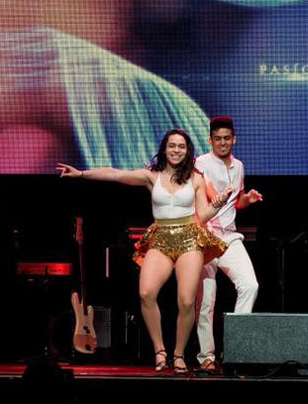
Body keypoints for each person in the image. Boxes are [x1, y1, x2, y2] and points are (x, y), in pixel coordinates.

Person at [57, 129, 232, 374]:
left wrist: (217, 204)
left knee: (186, 301)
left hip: (190, 238)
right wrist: (82, 173)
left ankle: (179, 354)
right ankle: (160, 351)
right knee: (146, 293)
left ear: (187, 150)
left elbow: (202, 215)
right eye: (172, 146)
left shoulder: (196, 178)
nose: (176, 150)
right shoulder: (152, 176)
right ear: (164, 148)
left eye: (181, 146)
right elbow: (115, 174)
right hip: (160, 238)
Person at [193, 116, 262, 373]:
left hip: (230, 236)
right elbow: (208, 192)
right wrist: (218, 198)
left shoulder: (239, 166)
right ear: (210, 140)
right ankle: (206, 357)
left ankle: (235, 349)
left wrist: (248, 199)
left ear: (234, 139)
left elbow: (236, 201)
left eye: (227, 139)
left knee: (249, 285)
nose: (223, 143)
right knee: (207, 298)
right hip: (206, 235)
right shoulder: (201, 162)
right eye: (218, 139)